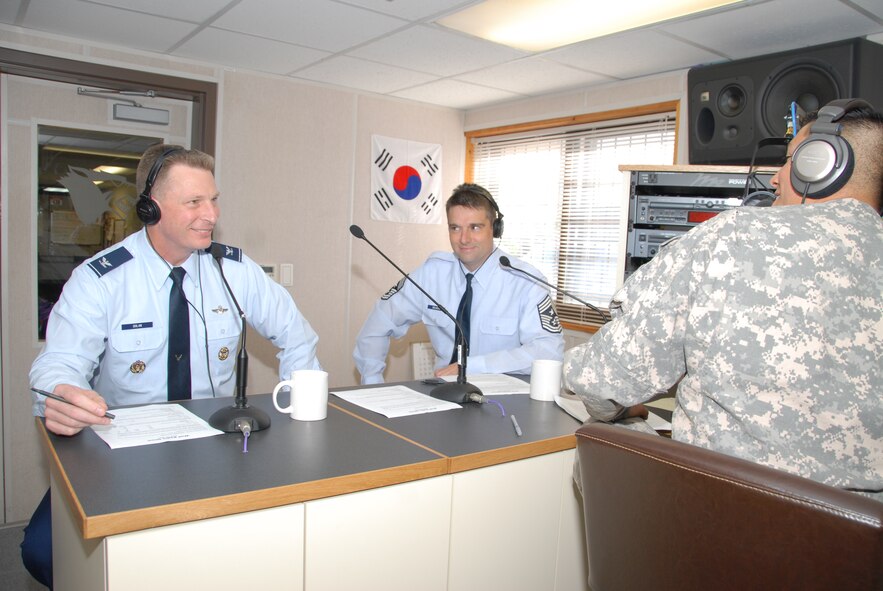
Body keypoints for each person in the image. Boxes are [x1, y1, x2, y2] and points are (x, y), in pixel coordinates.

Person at [22, 144, 322, 587]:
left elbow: (298, 337)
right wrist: (61, 394)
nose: (211, 214)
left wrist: (296, 408)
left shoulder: (234, 270)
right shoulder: (101, 279)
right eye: (194, 202)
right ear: (151, 206)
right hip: (122, 451)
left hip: (217, 447)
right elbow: (59, 364)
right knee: (44, 552)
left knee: (237, 554)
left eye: (214, 199)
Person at [563, 99, 882, 500]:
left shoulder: (731, 238)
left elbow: (600, 380)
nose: (774, 180)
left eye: (788, 162)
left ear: (819, 166)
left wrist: (599, 396)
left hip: (721, 523)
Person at [354, 183, 564, 384]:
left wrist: (472, 367)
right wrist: (372, 381)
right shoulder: (431, 274)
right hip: (444, 397)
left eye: (475, 227)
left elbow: (549, 351)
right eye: (455, 228)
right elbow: (378, 324)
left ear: (495, 228)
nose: (464, 238)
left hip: (504, 403)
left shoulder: (525, 281)